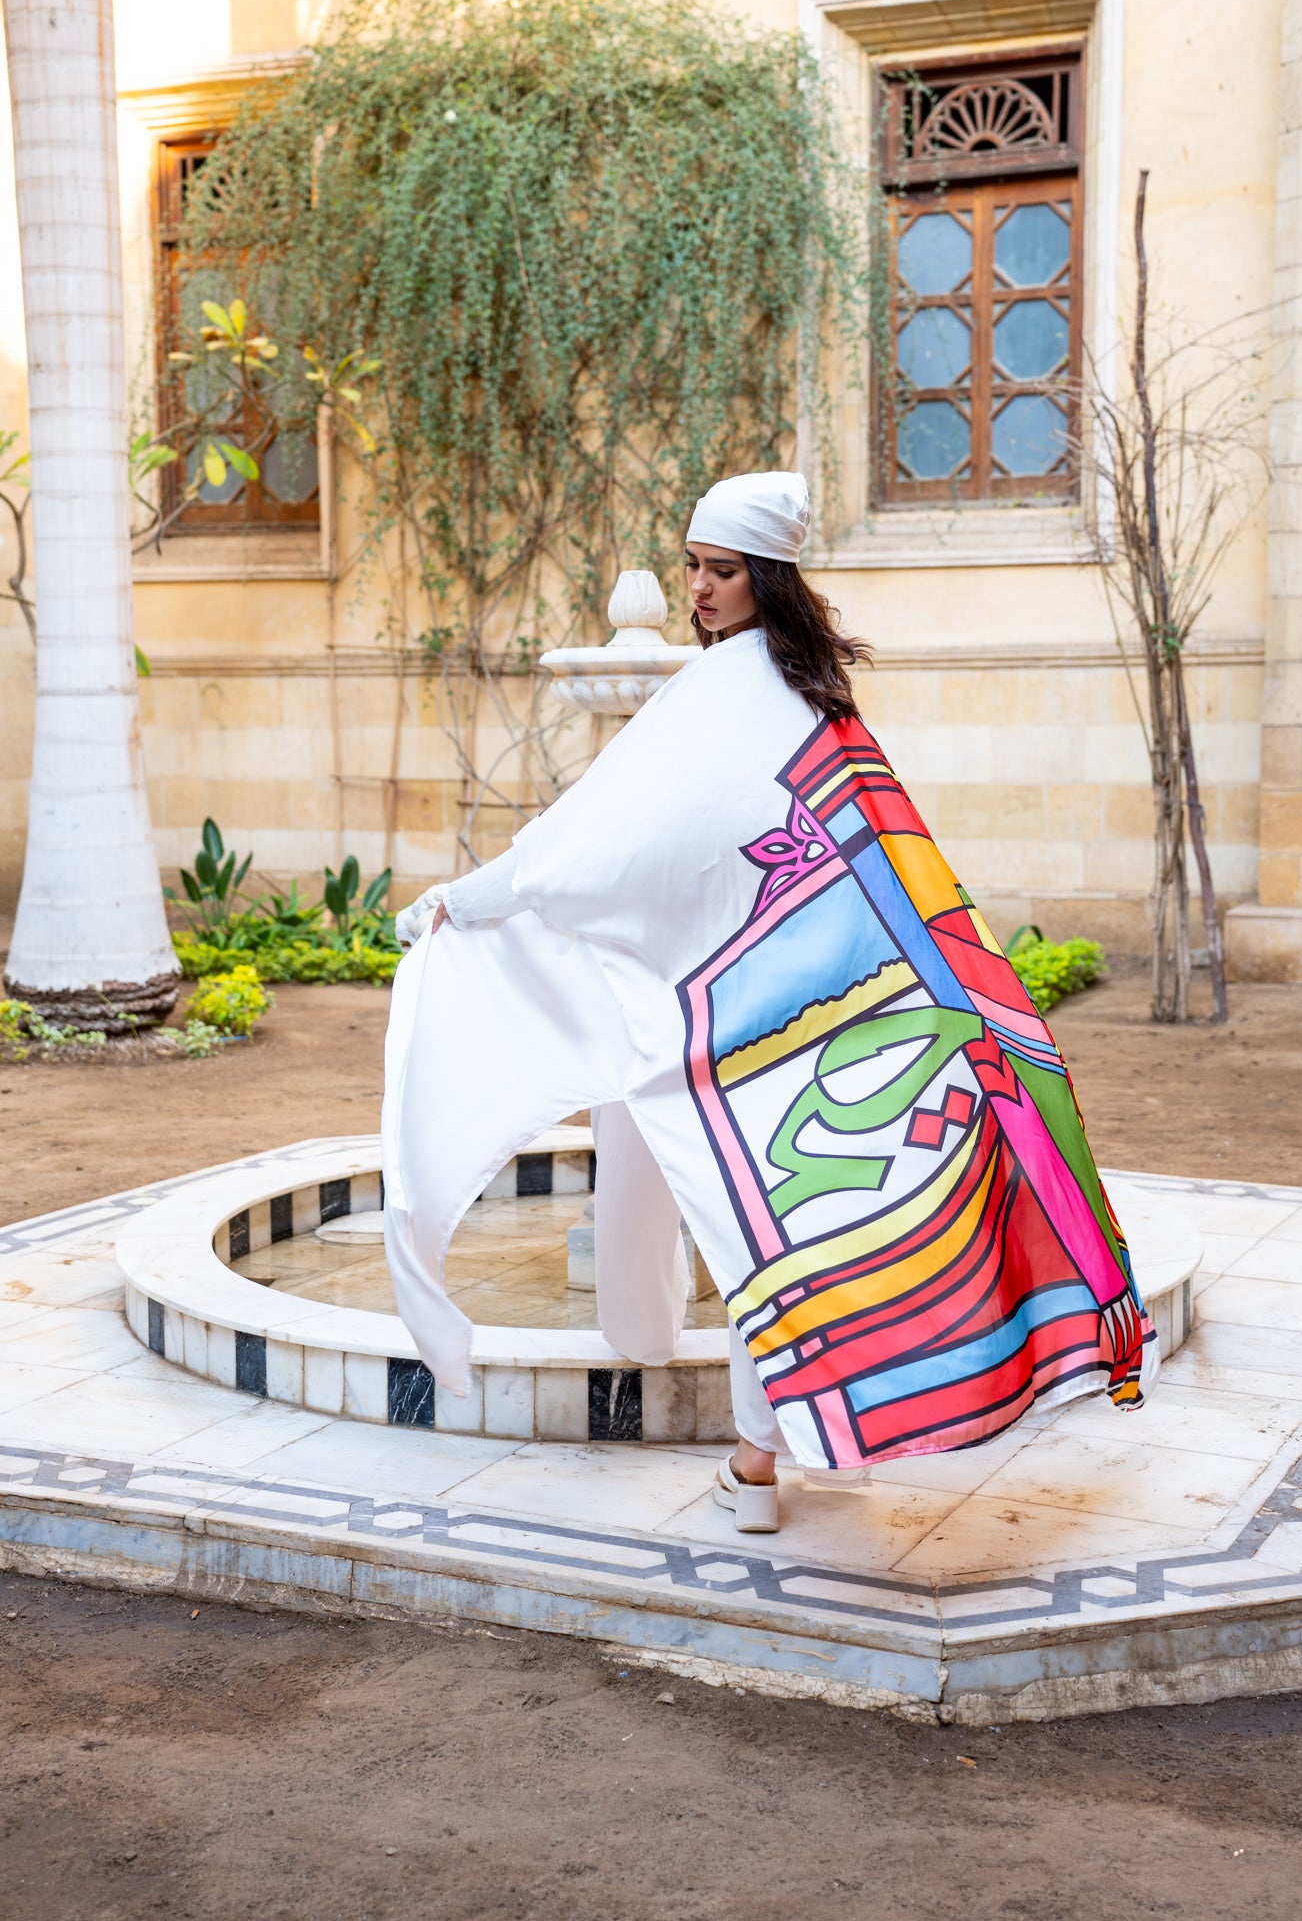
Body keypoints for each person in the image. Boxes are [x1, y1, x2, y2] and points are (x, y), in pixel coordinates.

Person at [384, 471, 1154, 1536]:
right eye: (693, 564)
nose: (699, 587)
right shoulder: (804, 687)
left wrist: (460, 903)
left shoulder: (729, 692)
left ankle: (759, 1461)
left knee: (765, 1225)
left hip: (769, 1012)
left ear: (770, 579)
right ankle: (771, 1453)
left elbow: (586, 846)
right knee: (793, 1223)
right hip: (836, 1003)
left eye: (722, 571)